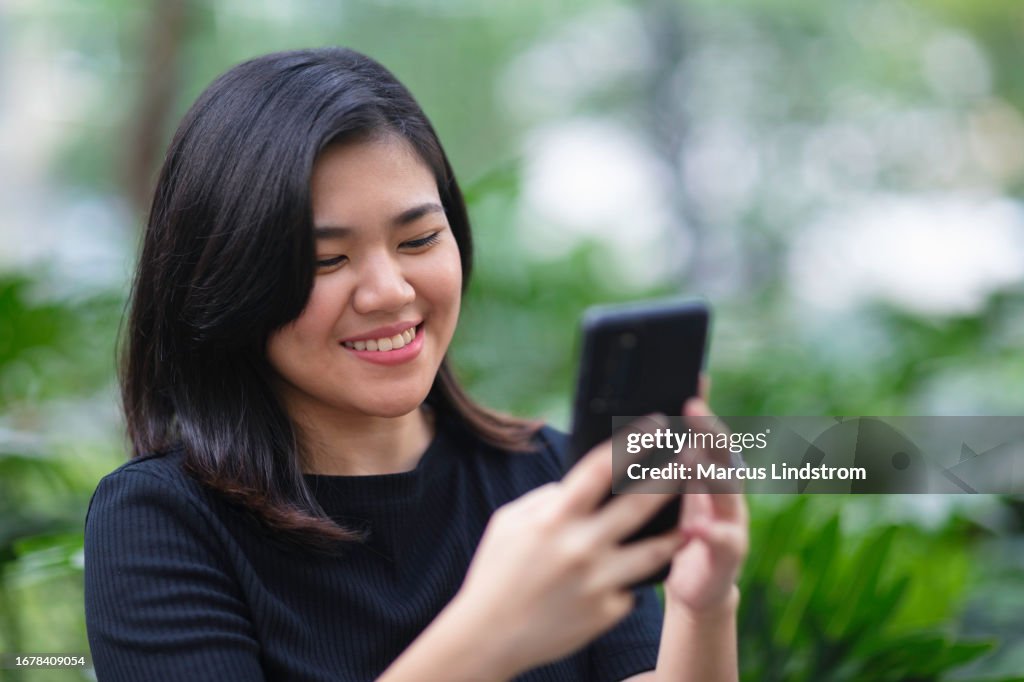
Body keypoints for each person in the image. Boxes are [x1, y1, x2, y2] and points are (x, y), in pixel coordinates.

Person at [84, 47, 748, 681]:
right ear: (230, 280)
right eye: (327, 260)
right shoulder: (161, 520)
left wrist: (704, 602)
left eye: (420, 239)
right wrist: (488, 636)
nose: (391, 292)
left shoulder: (553, 479)